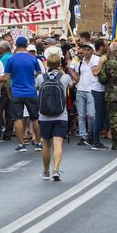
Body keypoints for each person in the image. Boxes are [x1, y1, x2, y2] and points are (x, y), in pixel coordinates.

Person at [35, 47, 72, 181]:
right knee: (58, 143)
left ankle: (45, 171)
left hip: (44, 116)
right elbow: (71, 85)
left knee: (46, 144)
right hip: (61, 115)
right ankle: (56, 170)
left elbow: (37, 88)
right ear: (60, 64)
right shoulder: (65, 77)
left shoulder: (40, 77)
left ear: (47, 63)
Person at [5, 36, 43, 153]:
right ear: (26, 45)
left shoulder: (11, 59)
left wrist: (9, 92)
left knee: (17, 119)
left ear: (16, 45)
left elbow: (7, 78)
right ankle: (38, 142)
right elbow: (39, 74)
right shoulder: (33, 59)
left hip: (16, 91)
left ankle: (21, 144)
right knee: (35, 118)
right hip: (30, 91)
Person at [68, 44, 97, 146]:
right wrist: (71, 71)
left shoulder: (96, 60)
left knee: (91, 115)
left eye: (88, 50)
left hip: (91, 90)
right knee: (81, 115)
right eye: (84, 50)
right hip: (80, 90)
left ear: (92, 51)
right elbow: (77, 77)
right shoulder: (80, 63)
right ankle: (83, 136)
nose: (86, 52)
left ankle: (91, 134)